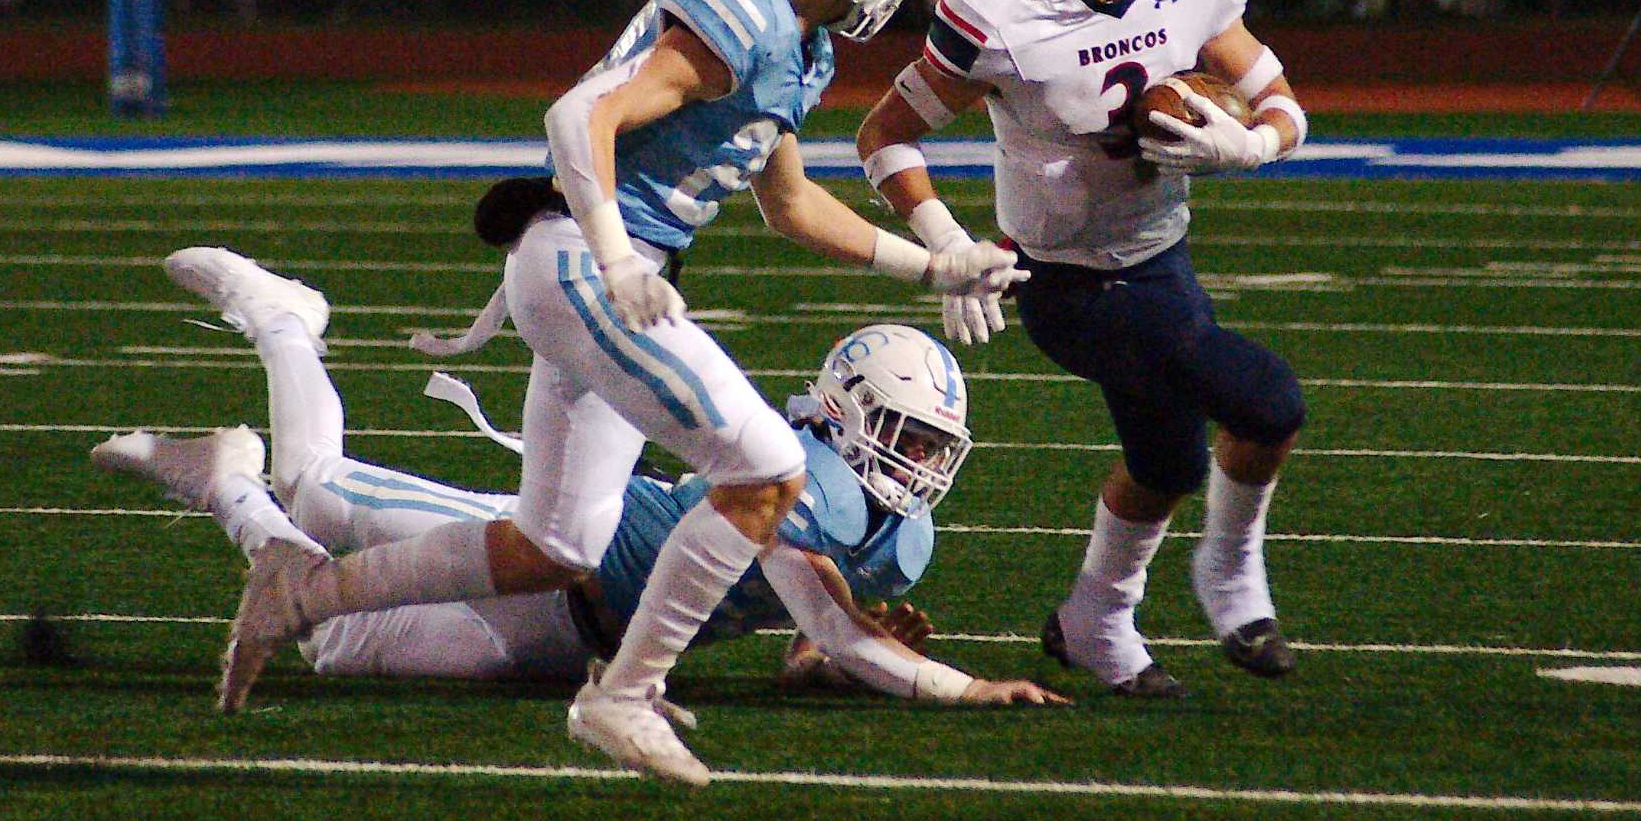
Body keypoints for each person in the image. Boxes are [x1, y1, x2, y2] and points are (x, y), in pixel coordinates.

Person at [194, 0, 1024, 783]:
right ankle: (621, 695)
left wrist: (933, 264)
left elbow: (788, 203)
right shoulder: (743, 10)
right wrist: (620, 253)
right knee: (764, 465)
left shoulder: (799, 46)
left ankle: (304, 590)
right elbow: (574, 115)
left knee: (559, 541)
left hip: (595, 262)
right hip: (585, 260)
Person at [856, 0, 1311, 698]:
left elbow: (1280, 95)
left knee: (1168, 462)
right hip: (1061, 281)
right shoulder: (996, 7)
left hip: (1161, 258)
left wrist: (1251, 142)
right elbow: (885, 133)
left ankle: (1091, 622)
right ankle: (1231, 581)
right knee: (1267, 399)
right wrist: (945, 241)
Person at [90, 305, 1064, 713]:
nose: (919, 464)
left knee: (334, 648)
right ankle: (284, 323)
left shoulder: (900, 547)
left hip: (567, 642)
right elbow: (824, 618)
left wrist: (814, 663)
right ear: (847, 417)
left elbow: (803, 630)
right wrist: (965, 688)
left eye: (932, 447)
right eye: (904, 437)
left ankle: (225, 482)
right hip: (547, 551)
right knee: (314, 485)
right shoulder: (799, 477)